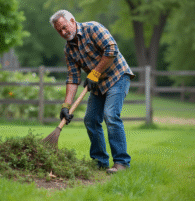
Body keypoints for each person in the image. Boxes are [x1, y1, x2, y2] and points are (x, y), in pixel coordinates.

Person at [49, 10, 135, 174]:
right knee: (90, 120)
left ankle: (121, 163)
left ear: (72, 21)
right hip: (97, 85)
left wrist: (94, 73)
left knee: (110, 115)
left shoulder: (93, 28)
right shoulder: (69, 50)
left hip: (117, 77)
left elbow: (111, 50)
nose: (63, 32)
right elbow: (73, 78)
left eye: (65, 27)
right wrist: (65, 106)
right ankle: (100, 161)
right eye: (59, 30)